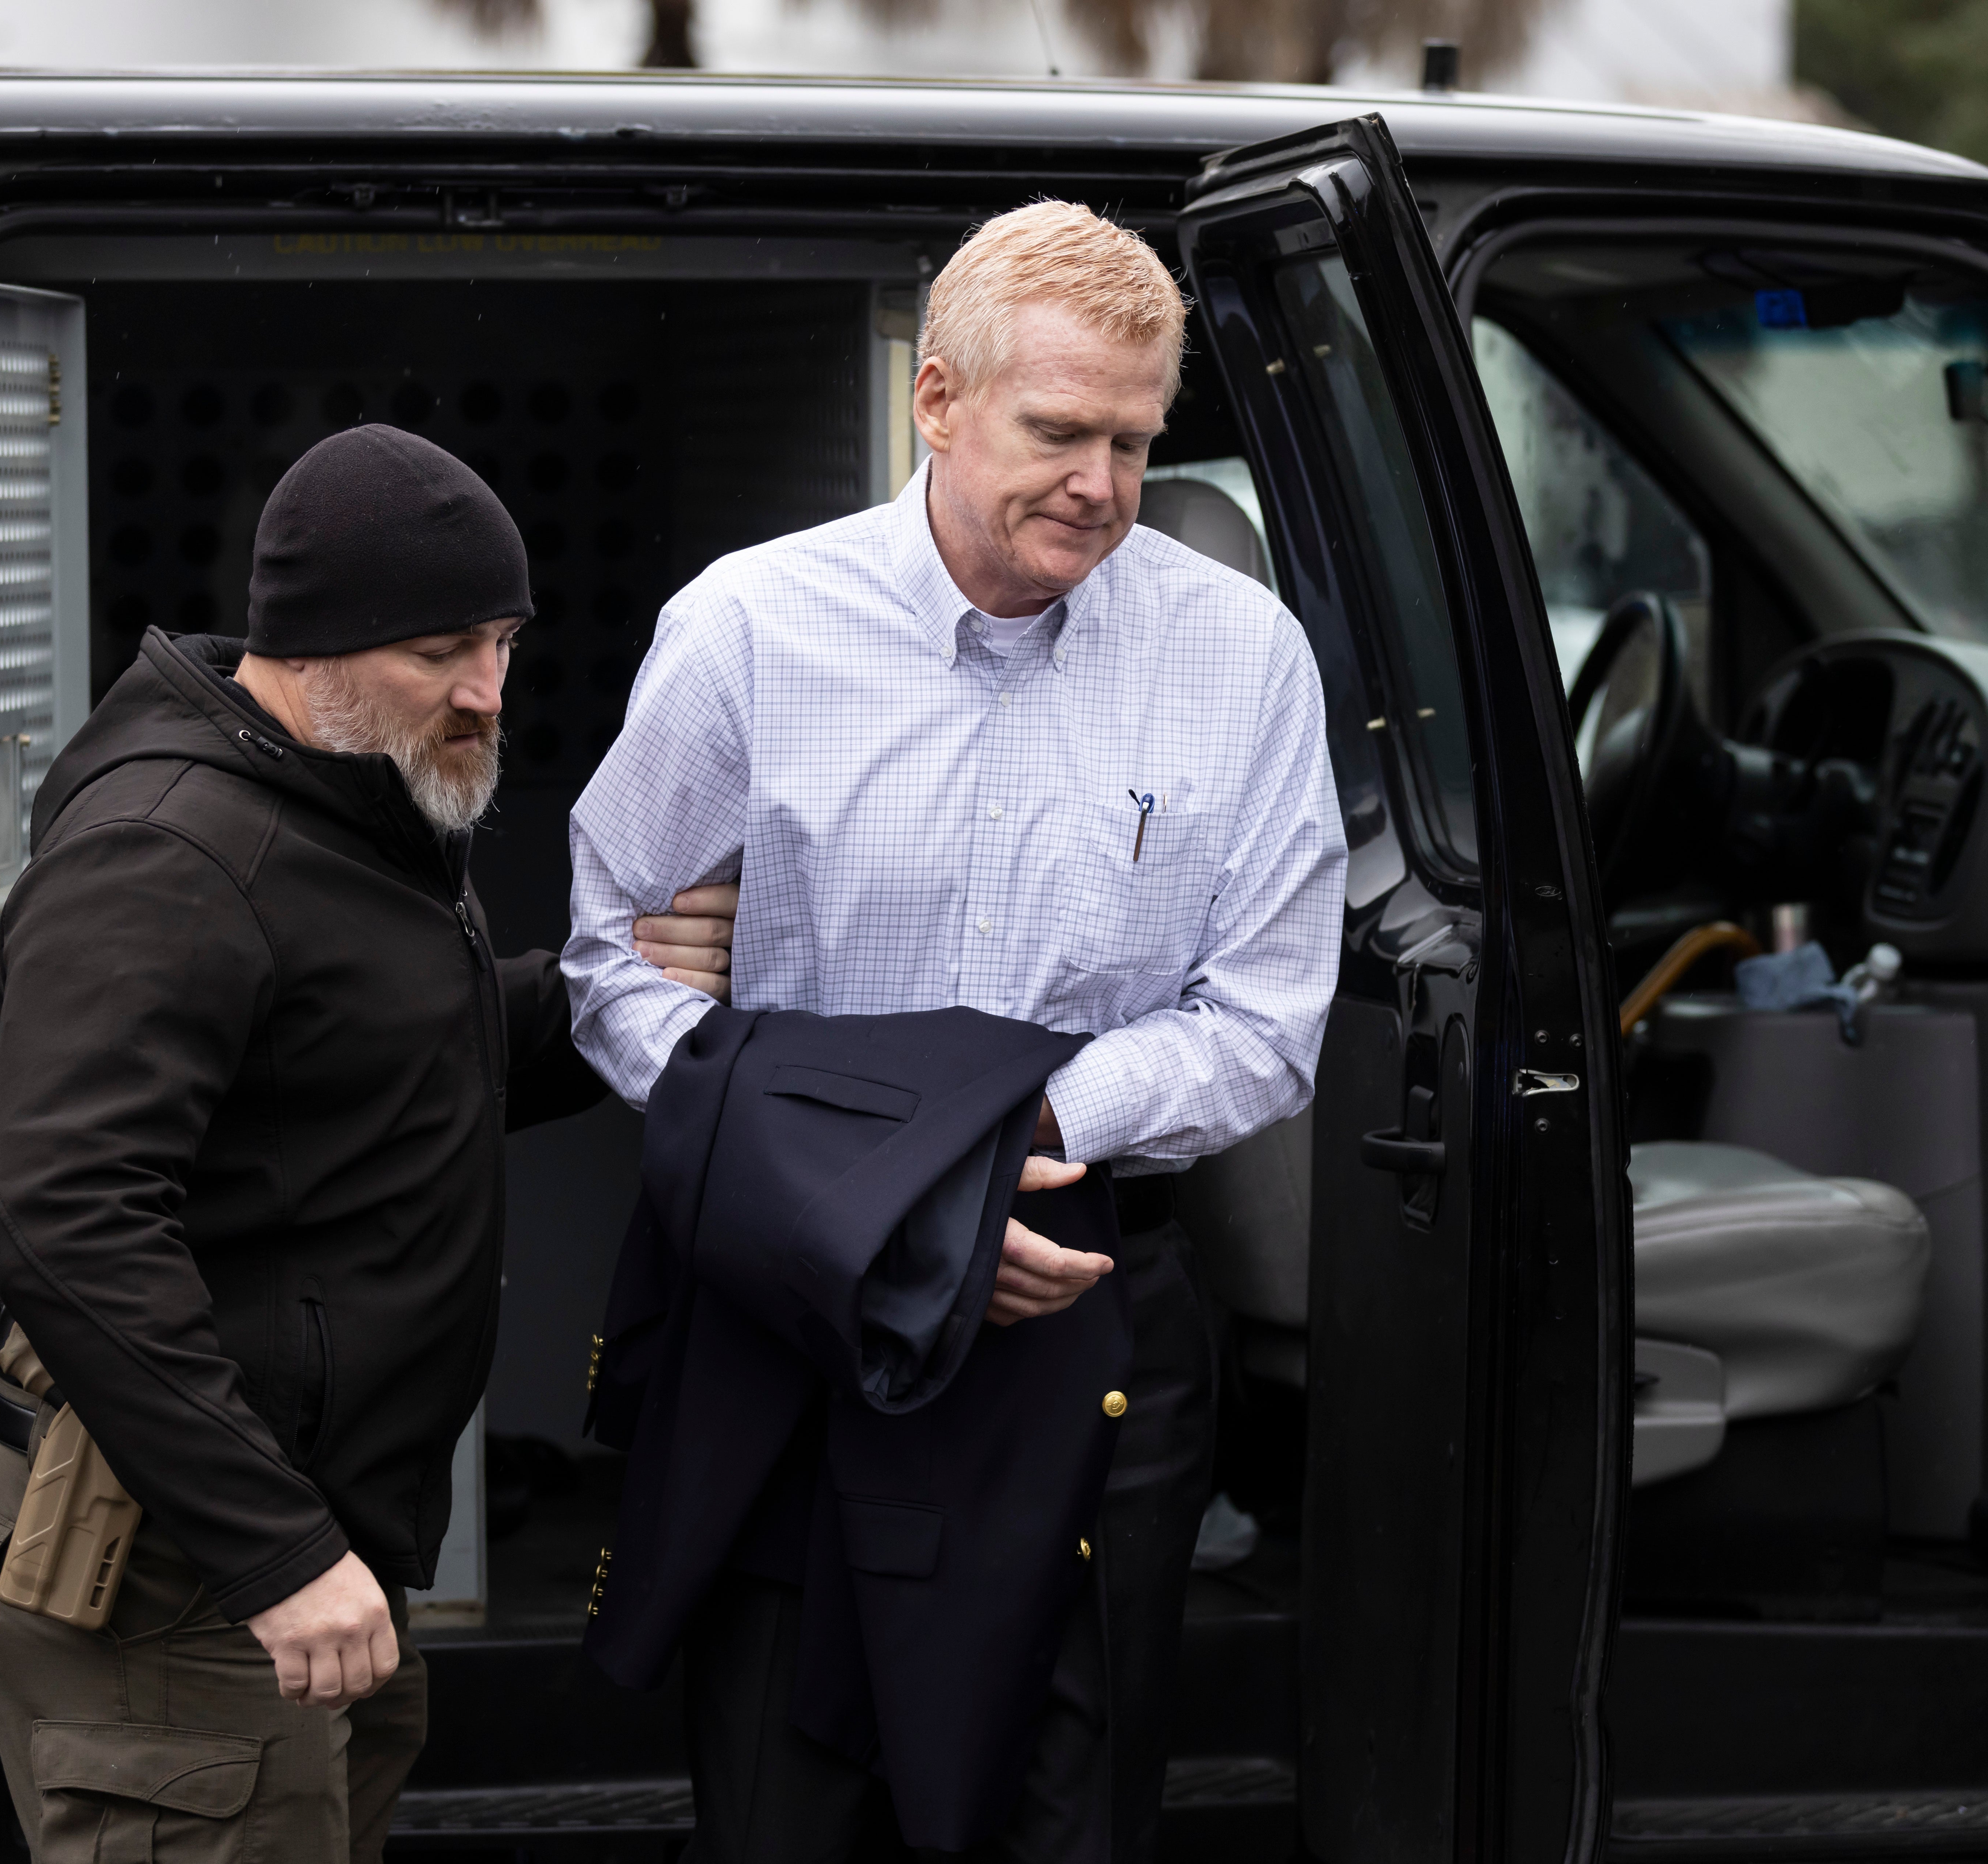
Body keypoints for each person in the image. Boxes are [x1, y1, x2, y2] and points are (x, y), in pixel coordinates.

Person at [565, 200, 1344, 1861]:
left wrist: (995, 1157)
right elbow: (608, 972)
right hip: (792, 1315)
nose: (1105, 490)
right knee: (789, 1819)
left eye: (1136, 443)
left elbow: (1269, 1026)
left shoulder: (1241, 658)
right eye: (1059, 433)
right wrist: (890, 1207)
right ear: (935, 401)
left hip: (1086, 1300)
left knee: (1066, 1826)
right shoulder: (748, 633)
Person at [0, 424, 737, 1864]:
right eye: (442, 650)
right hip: (179, 1559)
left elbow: (369, 1066)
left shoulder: (334, 809)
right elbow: (63, 1217)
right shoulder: (176, 853)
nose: (487, 692)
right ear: (309, 643)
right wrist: (278, 1551)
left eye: (503, 642)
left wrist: (615, 988)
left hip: (278, 1533)